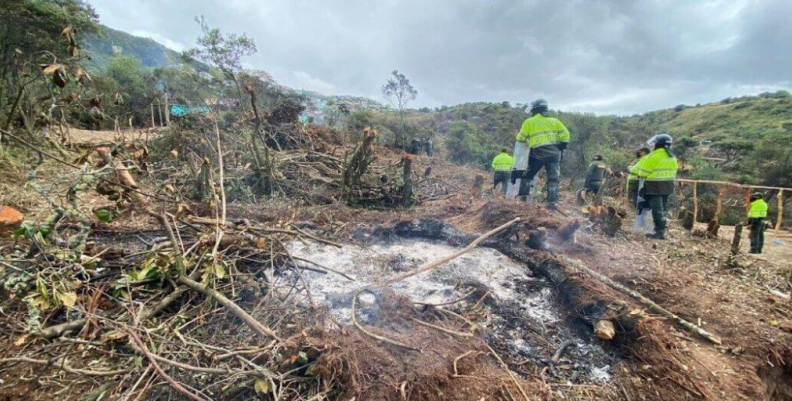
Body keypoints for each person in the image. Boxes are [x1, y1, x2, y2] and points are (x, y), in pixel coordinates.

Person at [512, 99, 571, 206]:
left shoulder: (529, 122)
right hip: (554, 154)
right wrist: (560, 147)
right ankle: (552, 203)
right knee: (553, 179)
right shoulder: (555, 121)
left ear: (535, 109)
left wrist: (527, 142)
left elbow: (520, 138)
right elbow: (565, 135)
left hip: (538, 153)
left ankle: (522, 201)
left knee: (528, 176)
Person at [630, 134, 678, 240]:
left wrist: (632, 169)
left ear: (658, 144)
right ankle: (661, 230)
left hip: (654, 186)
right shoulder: (672, 157)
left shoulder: (653, 156)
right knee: (664, 208)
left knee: (657, 209)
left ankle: (659, 232)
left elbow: (643, 173)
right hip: (667, 186)